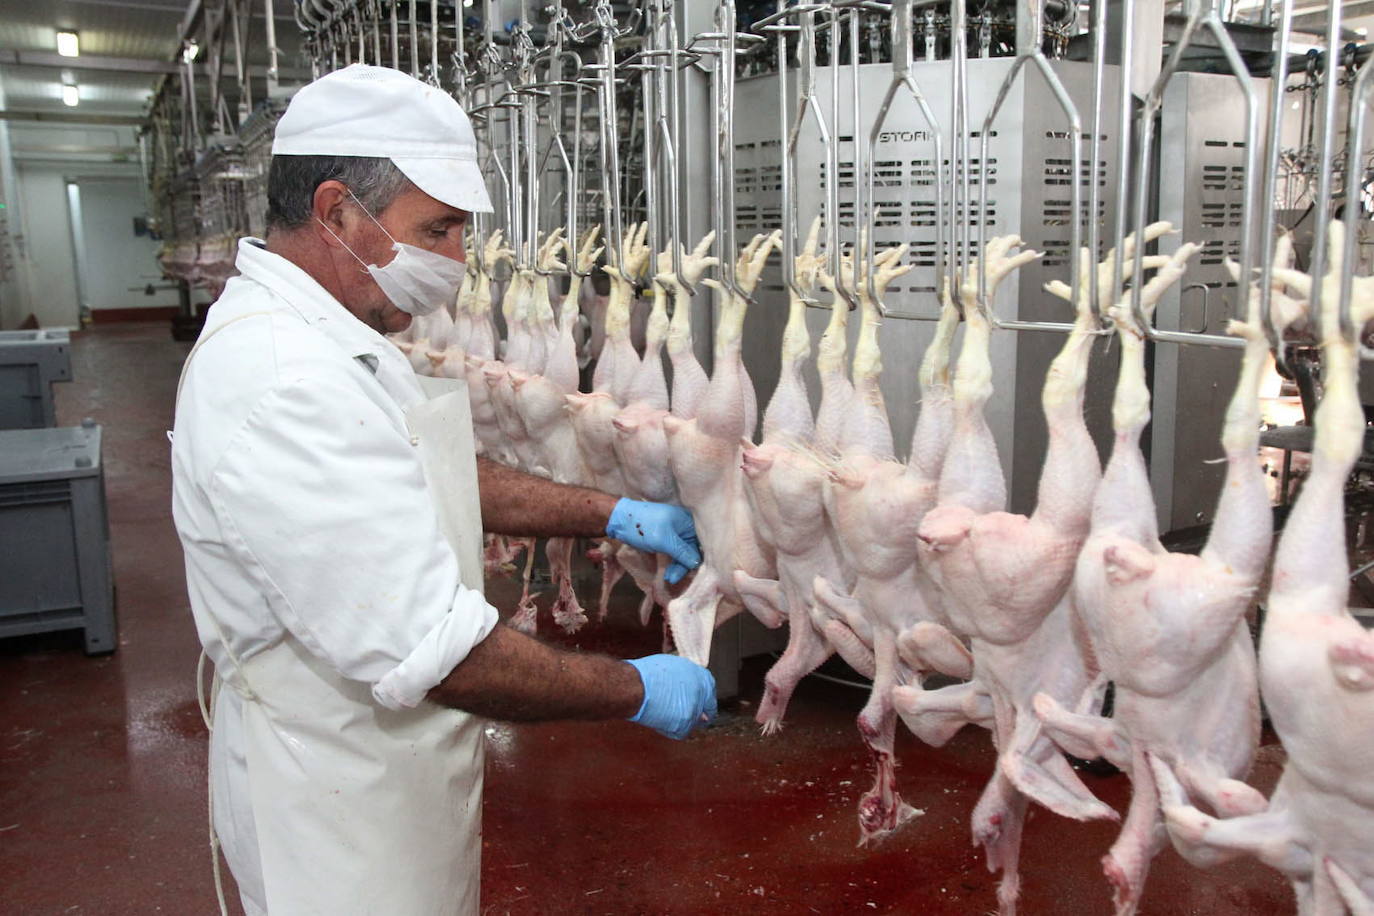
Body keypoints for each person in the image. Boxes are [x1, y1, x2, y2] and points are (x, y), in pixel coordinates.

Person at [170, 64, 716, 916]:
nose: (458, 261)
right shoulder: (282, 381)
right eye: (439, 229)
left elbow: (435, 471)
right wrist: (636, 689)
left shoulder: (332, 333)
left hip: (390, 772)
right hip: (335, 812)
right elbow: (437, 649)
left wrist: (609, 512)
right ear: (336, 213)